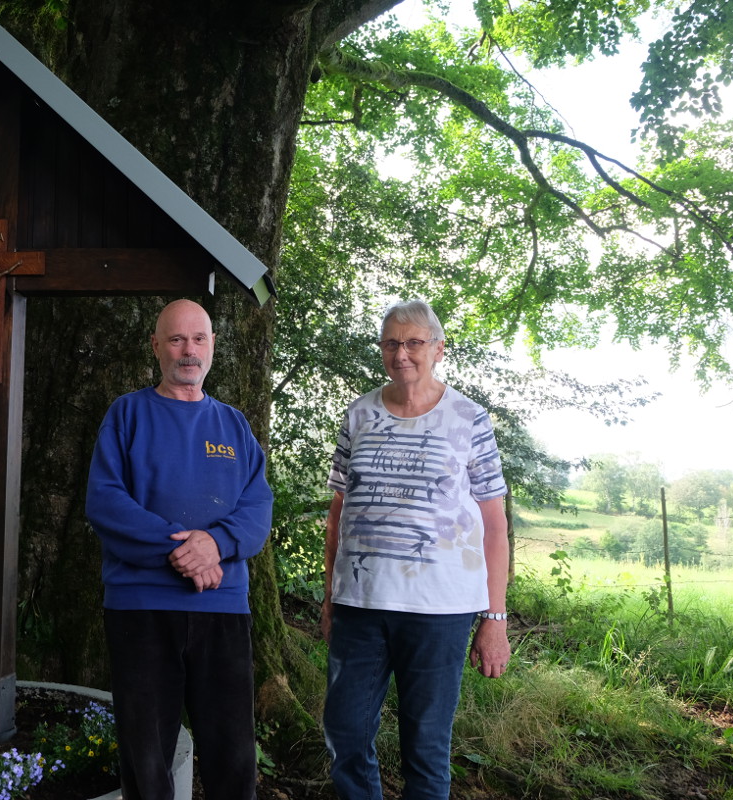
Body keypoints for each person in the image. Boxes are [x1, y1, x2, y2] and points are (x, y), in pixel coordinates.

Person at [320, 299, 511, 800]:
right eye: (390, 343)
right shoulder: (359, 414)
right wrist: (328, 598)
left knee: (426, 748)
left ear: (438, 349)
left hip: (439, 610)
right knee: (345, 733)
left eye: (413, 343)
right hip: (359, 606)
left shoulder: (468, 417)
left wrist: (495, 618)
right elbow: (338, 514)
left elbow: (494, 524)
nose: (401, 353)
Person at [86, 299, 274, 800]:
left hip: (223, 608)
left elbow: (258, 508)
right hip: (140, 608)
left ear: (213, 345)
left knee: (233, 757)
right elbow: (105, 502)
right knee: (145, 761)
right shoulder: (127, 414)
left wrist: (215, 543)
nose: (188, 351)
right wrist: (183, 551)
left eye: (199, 339)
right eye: (176, 339)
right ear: (156, 346)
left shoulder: (234, 425)